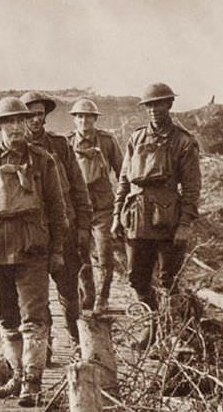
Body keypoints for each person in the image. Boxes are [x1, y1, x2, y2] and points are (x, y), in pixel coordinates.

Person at [0, 97, 69, 407]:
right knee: (6, 317)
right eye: (9, 123)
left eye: (20, 121)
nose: (16, 127)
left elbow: (58, 209)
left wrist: (58, 249)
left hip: (32, 247)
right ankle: (17, 375)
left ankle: (33, 383)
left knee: (33, 317)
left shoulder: (43, 160)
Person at [112, 82, 202, 317]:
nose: (154, 109)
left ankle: (171, 330)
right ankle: (150, 323)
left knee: (168, 279)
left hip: (167, 218)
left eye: (159, 104)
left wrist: (184, 224)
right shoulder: (136, 138)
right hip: (136, 216)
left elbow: (192, 187)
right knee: (136, 277)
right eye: (149, 105)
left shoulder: (183, 141)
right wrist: (116, 215)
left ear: (169, 104)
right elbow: (124, 180)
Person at [19, 91, 92, 347]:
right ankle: (45, 346)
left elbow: (79, 188)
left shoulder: (60, 146)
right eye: (30, 116)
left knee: (69, 291)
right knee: (36, 298)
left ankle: (75, 340)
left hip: (64, 229)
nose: (35, 120)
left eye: (40, 115)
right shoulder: (17, 151)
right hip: (32, 235)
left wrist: (84, 226)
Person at [66, 98, 124, 312]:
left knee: (105, 252)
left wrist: (121, 204)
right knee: (81, 253)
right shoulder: (67, 143)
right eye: (80, 117)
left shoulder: (107, 141)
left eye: (88, 117)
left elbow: (122, 171)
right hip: (79, 209)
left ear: (95, 119)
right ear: (74, 120)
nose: (84, 121)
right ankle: (88, 293)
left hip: (102, 208)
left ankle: (103, 296)